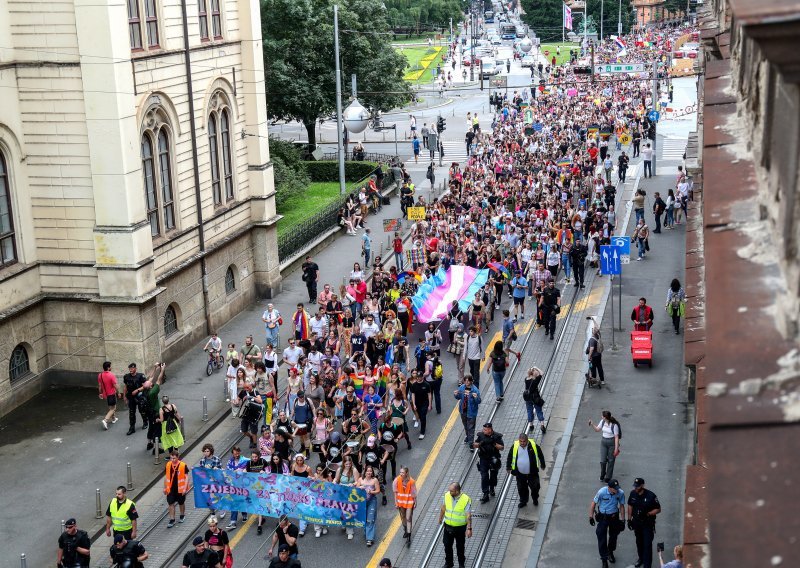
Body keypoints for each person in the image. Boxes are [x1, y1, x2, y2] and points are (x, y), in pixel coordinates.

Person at [589, 479, 627, 568]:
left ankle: (610, 552)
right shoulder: (602, 492)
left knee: (613, 536)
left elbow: (621, 506)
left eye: (617, 488)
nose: (616, 490)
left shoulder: (620, 493)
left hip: (614, 517)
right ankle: (604, 559)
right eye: (614, 488)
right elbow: (593, 503)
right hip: (603, 518)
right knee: (601, 537)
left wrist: (623, 520)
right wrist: (590, 517)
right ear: (609, 488)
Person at [628, 478, 662, 568]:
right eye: (635, 486)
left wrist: (648, 513)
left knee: (647, 544)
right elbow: (630, 505)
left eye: (638, 486)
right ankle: (641, 558)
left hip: (647, 524)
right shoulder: (632, 494)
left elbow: (658, 509)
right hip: (636, 523)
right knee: (639, 542)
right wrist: (629, 519)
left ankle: (647, 565)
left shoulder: (651, 496)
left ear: (642, 486)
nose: (636, 488)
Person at [506, 432, 546, 507]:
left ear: (527, 440)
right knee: (521, 488)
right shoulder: (515, 446)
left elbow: (540, 454)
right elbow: (510, 457)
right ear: (519, 440)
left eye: (524, 441)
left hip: (532, 472)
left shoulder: (533, 445)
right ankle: (523, 501)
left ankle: (535, 498)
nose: (522, 443)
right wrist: (508, 467)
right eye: (521, 441)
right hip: (520, 473)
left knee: (535, 487)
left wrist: (543, 464)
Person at [438, 482, 472, 568]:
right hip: (448, 526)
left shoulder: (466, 499)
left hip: (460, 528)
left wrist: (469, 528)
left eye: (451, 491)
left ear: (457, 491)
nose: (449, 492)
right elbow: (443, 508)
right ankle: (449, 563)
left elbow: (468, 515)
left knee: (460, 547)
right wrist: (440, 518)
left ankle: (461, 564)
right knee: (447, 545)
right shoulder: (446, 495)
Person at [473, 422, 504, 503]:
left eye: (485, 430)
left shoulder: (497, 436)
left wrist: (494, 444)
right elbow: (474, 444)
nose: (484, 431)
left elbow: (502, 447)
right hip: (483, 459)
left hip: (493, 459)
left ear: (490, 429)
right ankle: (485, 493)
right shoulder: (481, 435)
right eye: (483, 429)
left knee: (493, 476)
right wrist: (479, 444)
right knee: (484, 476)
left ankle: (492, 488)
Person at [589, 411, 621, 482]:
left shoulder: (614, 425)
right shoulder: (603, 422)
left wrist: (616, 448)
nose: (601, 417)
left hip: (612, 443)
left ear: (605, 417)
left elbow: (616, 437)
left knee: (611, 460)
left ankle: (608, 477)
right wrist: (592, 424)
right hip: (603, 442)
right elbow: (597, 429)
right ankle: (603, 474)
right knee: (603, 461)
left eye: (602, 416)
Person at [164, 450, 192, 528]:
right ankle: (172, 519)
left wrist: (184, 489)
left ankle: (182, 515)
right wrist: (165, 487)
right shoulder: (168, 465)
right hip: (170, 489)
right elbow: (166, 477)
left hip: (180, 489)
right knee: (170, 503)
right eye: (171, 458)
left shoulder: (183, 465)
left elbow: (186, 478)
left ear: (178, 457)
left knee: (181, 503)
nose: (172, 460)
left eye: (174, 458)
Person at [454, 375, 481, 450]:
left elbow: (479, 401)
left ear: (471, 381)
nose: (466, 382)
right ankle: (468, 437)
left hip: (471, 412)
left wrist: (476, 397)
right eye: (465, 380)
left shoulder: (475, 390)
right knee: (466, 426)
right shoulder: (462, 387)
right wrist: (456, 394)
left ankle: (471, 443)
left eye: (468, 381)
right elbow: (458, 397)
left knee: (471, 428)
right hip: (463, 411)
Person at [358, 464, 381, 546]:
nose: (369, 472)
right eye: (367, 471)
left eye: (370, 471)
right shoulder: (360, 479)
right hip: (362, 502)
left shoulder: (375, 480)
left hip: (372, 501)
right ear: (365, 472)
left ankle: (370, 539)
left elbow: (378, 491)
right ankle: (367, 532)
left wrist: (371, 492)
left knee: (370, 519)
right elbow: (356, 491)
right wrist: (360, 487)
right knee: (364, 519)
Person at [393, 466, 417, 544]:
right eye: (400, 472)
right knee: (403, 518)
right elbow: (395, 492)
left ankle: (409, 536)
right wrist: (396, 502)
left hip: (409, 502)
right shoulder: (396, 480)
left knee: (408, 518)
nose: (401, 474)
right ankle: (406, 529)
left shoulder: (412, 481)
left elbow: (413, 492)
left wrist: (415, 501)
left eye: (402, 472)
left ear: (406, 473)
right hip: (400, 502)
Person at [123, 363, 148, 435]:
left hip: (139, 396)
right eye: (129, 368)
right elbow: (125, 387)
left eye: (132, 368)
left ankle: (145, 422)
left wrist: (137, 390)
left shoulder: (141, 376)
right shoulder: (126, 377)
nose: (130, 369)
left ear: (135, 369)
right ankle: (132, 427)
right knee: (131, 412)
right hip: (131, 397)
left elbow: (145, 386)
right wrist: (124, 396)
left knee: (142, 410)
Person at [409, 371, 432, 440]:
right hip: (417, 403)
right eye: (418, 377)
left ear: (422, 377)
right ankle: (422, 425)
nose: (419, 378)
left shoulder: (426, 385)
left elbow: (429, 394)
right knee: (419, 416)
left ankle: (422, 432)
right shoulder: (414, 385)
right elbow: (413, 394)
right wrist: (414, 404)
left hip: (424, 403)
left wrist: (430, 405)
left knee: (423, 416)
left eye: (420, 377)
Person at [522, 367, 546, 432]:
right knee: (539, 411)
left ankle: (531, 425)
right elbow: (542, 373)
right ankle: (542, 425)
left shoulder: (526, 379)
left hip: (528, 398)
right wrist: (536, 367)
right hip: (535, 398)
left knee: (529, 411)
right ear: (534, 372)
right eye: (535, 371)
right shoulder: (536, 380)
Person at [98, 361, 119, 430]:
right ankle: (105, 420)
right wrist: (118, 392)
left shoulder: (100, 375)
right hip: (111, 394)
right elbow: (115, 386)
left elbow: (100, 386)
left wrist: (100, 393)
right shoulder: (111, 375)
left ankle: (113, 419)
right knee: (113, 408)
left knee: (111, 407)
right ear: (108, 367)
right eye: (110, 366)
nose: (111, 367)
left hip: (105, 395)